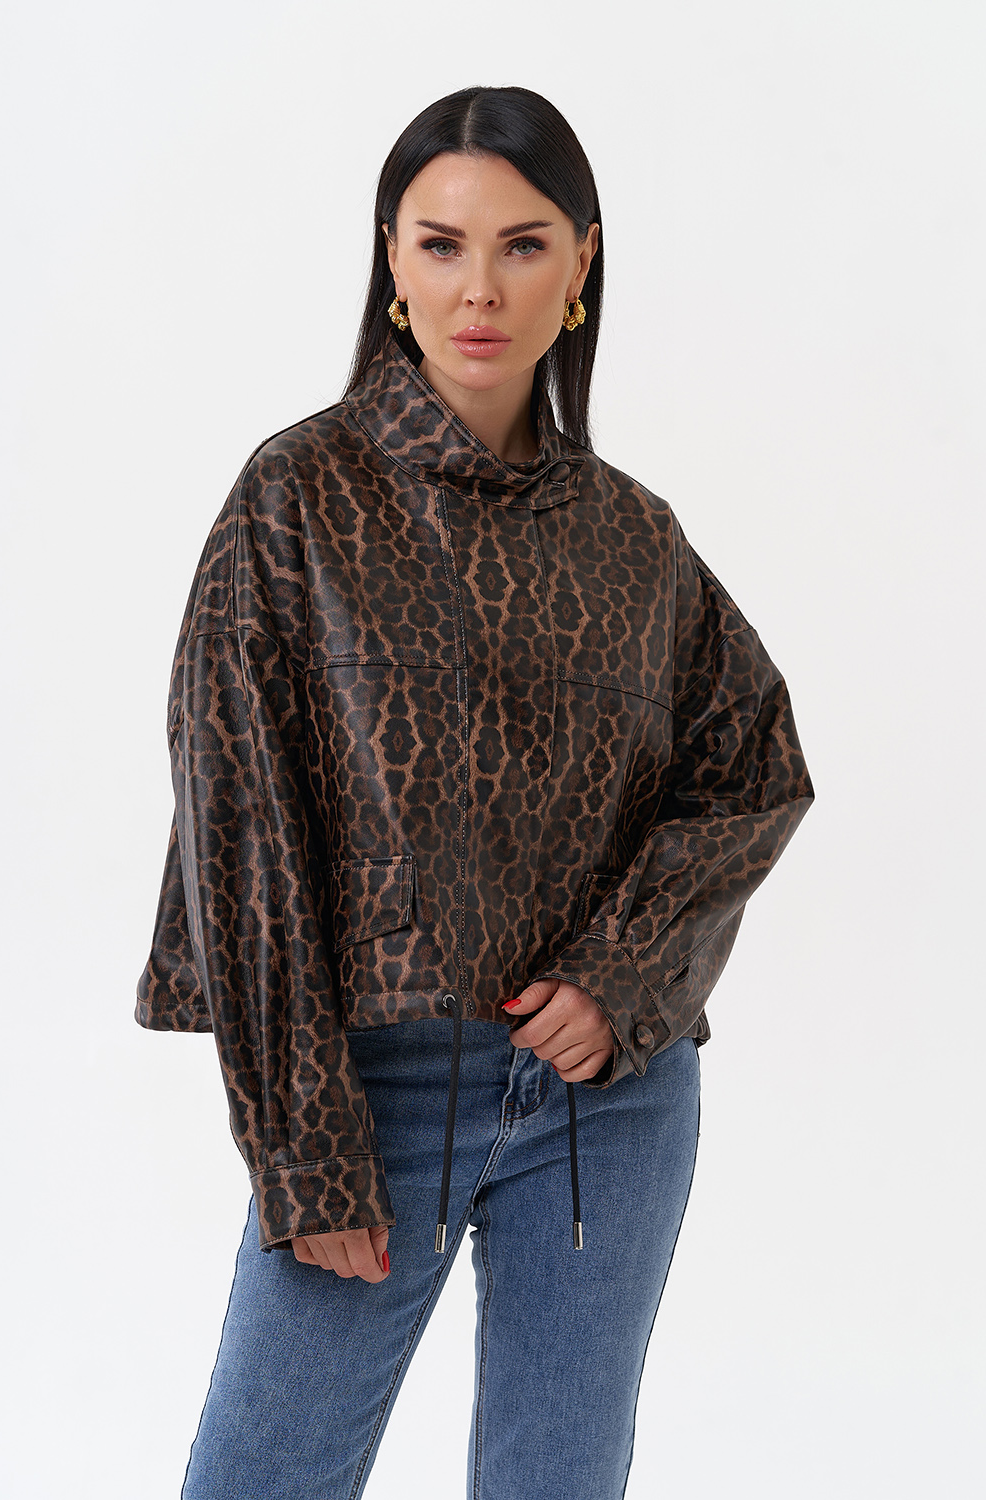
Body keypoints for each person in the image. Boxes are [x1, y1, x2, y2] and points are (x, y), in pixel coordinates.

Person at [136, 84, 814, 1500]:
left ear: (582, 264)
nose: (480, 289)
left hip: (609, 1099)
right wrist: (304, 1147)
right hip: (369, 1090)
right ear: (391, 260)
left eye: (523, 244)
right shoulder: (296, 498)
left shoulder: (633, 536)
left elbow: (752, 763)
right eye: (441, 245)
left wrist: (624, 975)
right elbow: (241, 836)